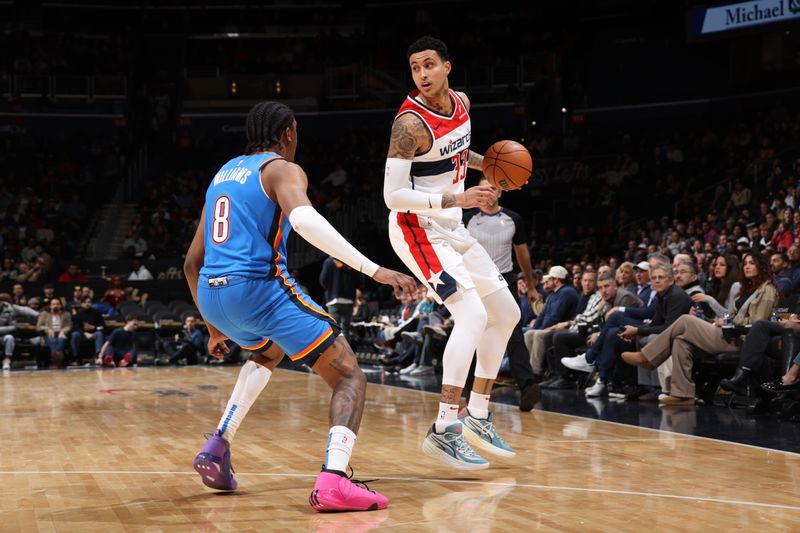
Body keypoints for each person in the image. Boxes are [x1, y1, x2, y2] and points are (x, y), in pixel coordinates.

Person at [185, 101, 415, 512]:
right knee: (349, 376)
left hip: (211, 295)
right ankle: (334, 480)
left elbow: (190, 262)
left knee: (268, 351)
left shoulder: (221, 175)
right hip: (255, 289)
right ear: (288, 133)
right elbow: (306, 223)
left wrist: (213, 327)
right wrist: (375, 270)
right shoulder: (281, 169)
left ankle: (218, 444)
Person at [383, 35, 521, 469]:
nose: (422, 75)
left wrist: (492, 167)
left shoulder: (462, 103)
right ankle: (445, 428)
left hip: (453, 228)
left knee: (507, 314)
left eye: (429, 65)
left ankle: (478, 414)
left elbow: (459, 154)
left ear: (447, 66)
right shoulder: (409, 125)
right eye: (414, 68)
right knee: (473, 315)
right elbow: (392, 195)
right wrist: (457, 200)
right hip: (417, 229)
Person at [624, 252, 778, 405]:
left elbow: (757, 324)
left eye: (752, 263)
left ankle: (648, 357)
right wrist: (710, 320)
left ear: (762, 266)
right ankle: (683, 395)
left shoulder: (768, 290)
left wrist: (727, 322)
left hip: (742, 340)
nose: (747, 266)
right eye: (745, 263)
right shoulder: (746, 289)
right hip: (728, 334)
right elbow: (730, 317)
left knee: (685, 320)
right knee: (680, 340)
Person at [462, 176, 541, 411]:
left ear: (500, 192)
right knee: (474, 332)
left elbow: (523, 254)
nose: (489, 192)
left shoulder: (513, 219)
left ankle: (528, 387)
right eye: (484, 188)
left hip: (504, 280)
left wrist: (531, 285)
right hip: (474, 281)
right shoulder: (467, 219)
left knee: (513, 333)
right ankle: (467, 390)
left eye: (493, 188)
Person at [319, 256, 364, 341]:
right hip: (349, 299)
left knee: (335, 329)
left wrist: (331, 287)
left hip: (333, 299)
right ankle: (347, 353)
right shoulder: (352, 261)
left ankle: (338, 353)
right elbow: (361, 282)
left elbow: (323, 281)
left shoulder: (329, 262)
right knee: (346, 329)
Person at [36, 298, 72, 368]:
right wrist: (48, 329)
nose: (55, 306)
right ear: (50, 306)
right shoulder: (44, 314)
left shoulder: (66, 314)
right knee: (52, 341)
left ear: (61, 305)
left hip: (61, 333)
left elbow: (69, 326)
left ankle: (58, 362)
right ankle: (56, 361)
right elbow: (38, 326)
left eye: (57, 304)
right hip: (50, 334)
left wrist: (63, 331)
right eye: (53, 304)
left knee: (61, 341)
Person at [70, 296, 105, 365]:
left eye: (89, 302)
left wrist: (94, 328)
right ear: (81, 304)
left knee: (99, 334)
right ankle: (75, 358)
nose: (87, 304)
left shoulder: (96, 313)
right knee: (74, 334)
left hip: (94, 334)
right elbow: (75, 327)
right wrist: (84, 333)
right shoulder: (78, 314)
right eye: (85, 302)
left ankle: (98, 356)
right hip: (82, 334)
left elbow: (103, 327)